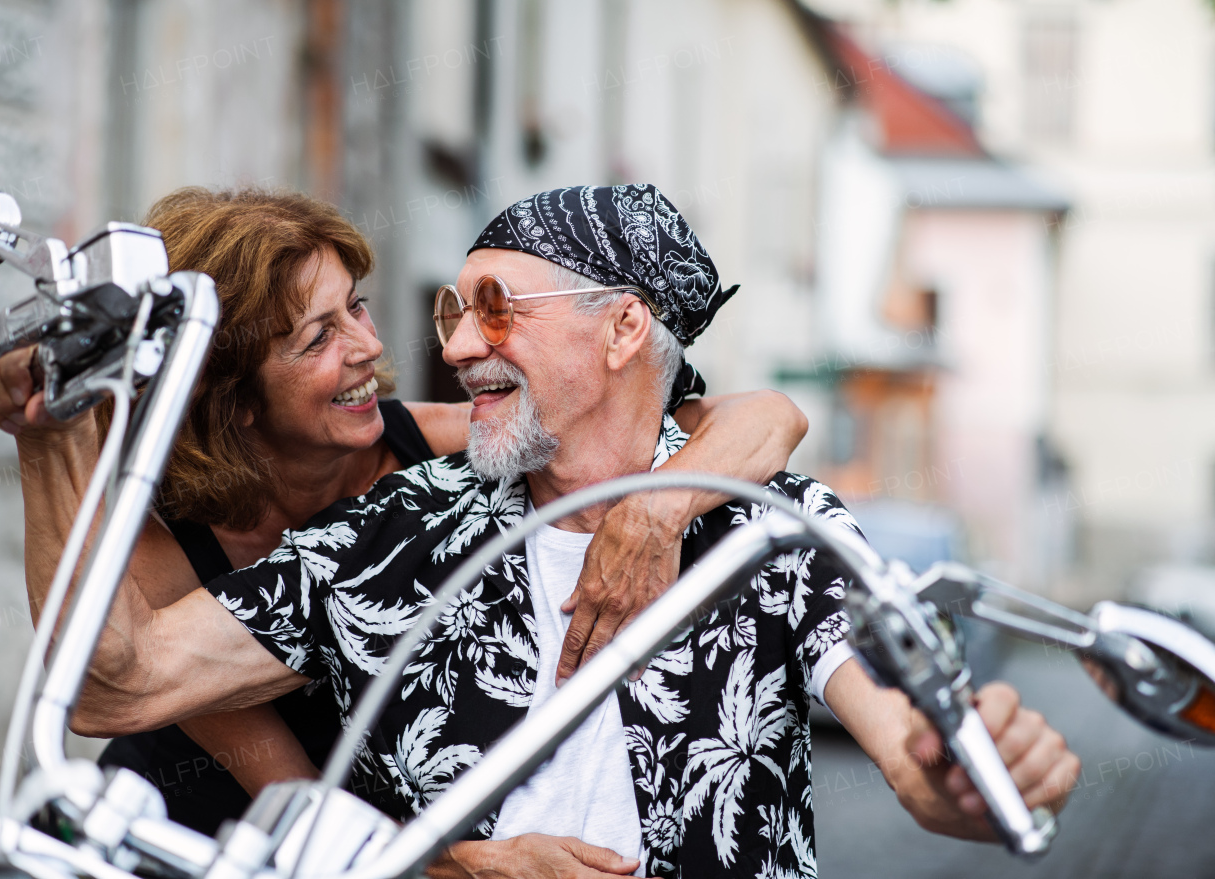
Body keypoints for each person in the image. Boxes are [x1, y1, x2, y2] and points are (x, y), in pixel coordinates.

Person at [56, 184, 1076, 879]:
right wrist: (46, 429)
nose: (451, 345)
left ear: (622, 329)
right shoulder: (400, 528)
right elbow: (118, 683)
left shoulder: (768, 524)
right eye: (455, 310)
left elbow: (907, 747)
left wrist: (962, 771)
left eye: (495, 311)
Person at [0, 187, 810, 836]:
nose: (370, 346)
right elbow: (200, 737)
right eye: (318, 337)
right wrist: (44, 434)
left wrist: (655, 511)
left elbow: (765, 417)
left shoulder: (437, 453)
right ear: (233, 397)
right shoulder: (164, 526)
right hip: (225, 826)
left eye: (355, 305)